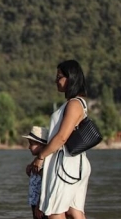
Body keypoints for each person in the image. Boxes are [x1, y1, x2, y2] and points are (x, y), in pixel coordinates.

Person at [31, 60, 92, 219]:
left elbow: (62, 137)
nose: (56, 80)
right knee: (74, 211)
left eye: (59, 77)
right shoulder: (73, 103)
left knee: (55, 212)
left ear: (70, 78)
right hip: (73, 165)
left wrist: (40, 156)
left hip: (66, 165)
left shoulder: (74, 104)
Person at [23, 126, 49, 219]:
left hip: (40, 203)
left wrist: (39, 205)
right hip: (35, 202)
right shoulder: (36, 161)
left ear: (41, 145)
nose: (29, 147)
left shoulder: (43, 164)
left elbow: (45, 185)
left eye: (31, 144)